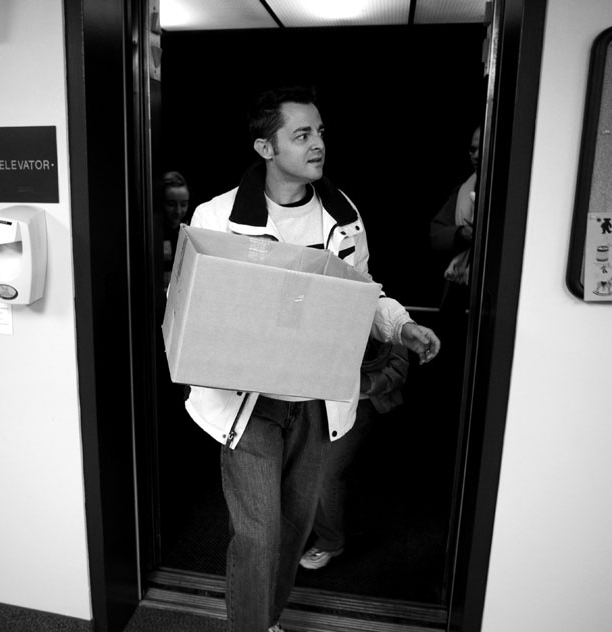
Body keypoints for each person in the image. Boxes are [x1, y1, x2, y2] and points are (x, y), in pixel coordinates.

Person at [180, 85, 441, 632]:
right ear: (265, 148)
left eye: (320, 132)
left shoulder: (344, 217)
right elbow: (194, 304)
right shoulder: (217, 216)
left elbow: (364, 290)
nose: (318, 143)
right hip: (248, 401)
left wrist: (402, 325)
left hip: (317, 399)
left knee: (296, 526)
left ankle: (267, 620)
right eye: (302, 134)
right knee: (259, 532)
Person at [298, 336, 409, 571]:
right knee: (305, 462)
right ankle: (344, 521)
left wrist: (358, 383)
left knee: (325, 474)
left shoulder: (383, 310)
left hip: (361, 402)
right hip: (314, 399)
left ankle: (330, 541)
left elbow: (397, 370)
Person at [429, 125, 480, 314]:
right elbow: (436, 235)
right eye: (472, 149)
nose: (475, 155)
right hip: (458, 289)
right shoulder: (462, 191)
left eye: (481, 149)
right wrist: (462, 234)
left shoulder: (512, 195)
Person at [160, 170, 192, 288]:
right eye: (171, 204)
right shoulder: (152, 235)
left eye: (183, 204)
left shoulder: (190, 231)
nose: (178, 211)